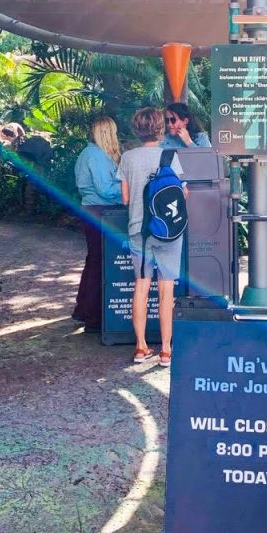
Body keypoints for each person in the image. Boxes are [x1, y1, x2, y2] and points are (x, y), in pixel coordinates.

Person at [117, 107, 186, 367]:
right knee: (166, 288)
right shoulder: (170, 156)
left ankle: (140, 347)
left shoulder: (128, 158)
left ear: (137, 129)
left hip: (139, 231)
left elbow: (125, 198)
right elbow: (182, 193)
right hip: (168, 232)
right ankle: (166, 350)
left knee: (141, 286)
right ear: (159, 128)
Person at [72, 116, 123, 332]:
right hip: (100, 212)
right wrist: (129, 192)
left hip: (92, 210)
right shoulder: (97, 156)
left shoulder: (89, 153)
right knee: (100, 263)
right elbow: (106, 190)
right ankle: (93, 317)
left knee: (94, 261)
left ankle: (84, 311)